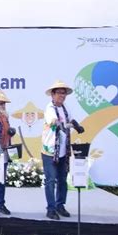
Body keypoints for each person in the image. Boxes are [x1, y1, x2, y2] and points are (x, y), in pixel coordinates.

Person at [42, 80, 84, 220]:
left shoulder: (65, 108)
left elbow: (71, 119)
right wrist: (60, 124)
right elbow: (53, 121)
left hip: (63, 151)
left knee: (62, 180)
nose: (62, 96)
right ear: (52, 94)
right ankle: (51, 208)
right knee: (51, 180)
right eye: (59, 93)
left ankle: (60, 205)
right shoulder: (49, 108)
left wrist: (77, 126)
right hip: (50, 151)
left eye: (64, 93)